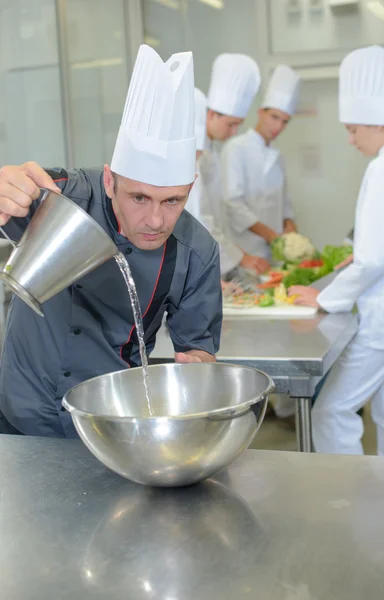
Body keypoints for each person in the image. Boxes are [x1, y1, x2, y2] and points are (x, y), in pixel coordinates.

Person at [0, 45, 222, 438]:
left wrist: (197, 370)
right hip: (15, 415)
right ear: (109, 180)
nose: (155, 220)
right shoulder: (61, 197)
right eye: (139, 198)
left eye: (173, 200)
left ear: (191, 187)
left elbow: (198, 350)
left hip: (108, 429)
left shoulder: (197, 253)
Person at [289, 45, 384, 456]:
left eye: (353, 129)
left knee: (331, 411)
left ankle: (347, 505)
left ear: (376, 123)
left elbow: (374, 258)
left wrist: (325, 297)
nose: (351, 139)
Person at [198, 53, 270, 278]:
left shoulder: (210, 151)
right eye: (231, 124)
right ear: (212, 115)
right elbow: (201, 221)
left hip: (214, 257)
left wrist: (238, 256)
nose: (234, 132)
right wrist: (241, 258)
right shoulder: (195, 155)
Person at [221, 64, 301, 260]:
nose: (278, 126)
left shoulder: (278, 157)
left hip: (274, 255)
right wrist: (271, 236)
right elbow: (233, 204)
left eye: (284, 121)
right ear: (260, 112)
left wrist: (289, 225)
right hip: (246, 254)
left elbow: (285, 204)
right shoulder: (236, 148)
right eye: (274, 117)